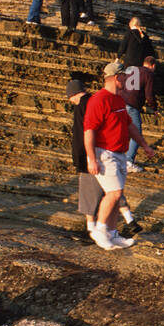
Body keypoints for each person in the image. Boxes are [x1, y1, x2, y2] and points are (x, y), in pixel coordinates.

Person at [83, 60, 155, 249]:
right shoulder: (99, 100)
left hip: (119, 153)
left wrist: (144, 145)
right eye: (124, 76)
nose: (127, 79)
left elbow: (129, 125)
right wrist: (91, 158)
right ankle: (99, 230)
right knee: (114, 194)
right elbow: (89, 131)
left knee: (116, 193)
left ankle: (112, 233)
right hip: (104, 153)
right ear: (116, 78)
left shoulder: (118, 99)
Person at [67, 78, 102, 244]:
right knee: (105, 193)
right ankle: (103, 228)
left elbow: (83, 134)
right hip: (103, 153)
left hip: (89, 157)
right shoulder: (96, 101)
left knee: (89, 193)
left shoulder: (81, 106)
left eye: (69, 97)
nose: (70, 101)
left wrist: (81, 159)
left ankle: (91, 230)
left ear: (73, 94)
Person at [121, 58, 156, 171]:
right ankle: (129, 161)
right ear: (153, 65)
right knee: (136, 133)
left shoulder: (133, 69)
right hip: (132, 105)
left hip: (121, 102)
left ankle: (117, 157)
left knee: (122, 130)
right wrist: (154, 107)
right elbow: (149, 95)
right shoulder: (149, 74)